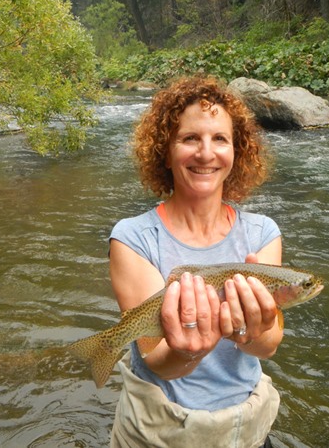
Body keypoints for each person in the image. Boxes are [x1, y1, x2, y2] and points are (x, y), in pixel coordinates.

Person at [109, 76, 283, 448]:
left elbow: (267, 346)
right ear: (165, 152)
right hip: (160, 431)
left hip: (245, 428)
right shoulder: (133, 237)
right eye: (190, 139)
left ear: (237, 151)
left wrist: (250, 330)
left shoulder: (263, 234)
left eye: (219, 139)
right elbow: (156, 360)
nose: (206, 153)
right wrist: (189, 351)